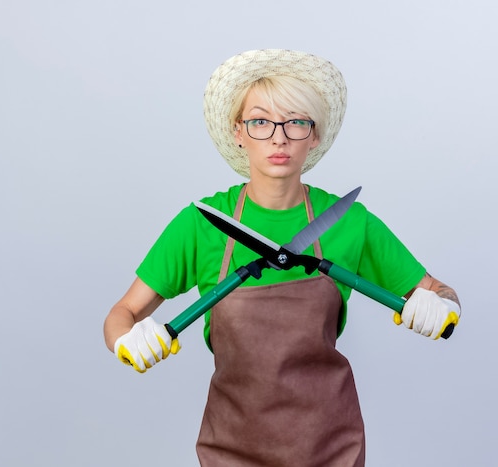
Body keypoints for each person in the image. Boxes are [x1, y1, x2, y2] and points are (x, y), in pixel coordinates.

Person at [103, 49, 461, 467]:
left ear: (315, 135)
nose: (279, 137)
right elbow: (122, 313)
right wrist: (126, 341)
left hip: (330, 443)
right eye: (261, 122)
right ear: (239, 131)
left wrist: (444, 304)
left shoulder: (349, 222)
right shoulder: (202, 224)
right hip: (231, 443)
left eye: (296, 122)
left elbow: (440, 290)